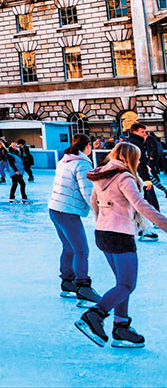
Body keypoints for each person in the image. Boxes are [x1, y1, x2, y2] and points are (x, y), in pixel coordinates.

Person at [76, 142, 167, 348]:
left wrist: (103, 221)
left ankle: (121, 327)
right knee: (127, 285)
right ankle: (95, 315)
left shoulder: (101, 175)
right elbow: (141, 205)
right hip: (120, 235)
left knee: (121, 284)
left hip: (103, 233)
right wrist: (164, 224)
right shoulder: (125, 177)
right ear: (130, 158)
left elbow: (94, 202)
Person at [48, 134, 101, 307]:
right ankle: (83, 288)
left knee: (69, 247)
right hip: (67, 211)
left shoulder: (64, 160)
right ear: (87, 147)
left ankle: (67, 283)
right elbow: (88, 192)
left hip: (55, 208)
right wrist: (99, 213)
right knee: (81, 250)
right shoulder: (82, 163)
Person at [124, 123, 160, 241]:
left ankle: (140, 228)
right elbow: (140, 164)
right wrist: (146, 180)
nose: (145, 134)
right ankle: (145, 229)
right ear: (134, 132)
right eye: (142, 132)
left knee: (135, 203)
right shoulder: (136, 144)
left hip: (129, 176)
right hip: (136, 177)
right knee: (139, 202)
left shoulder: (128, 142)